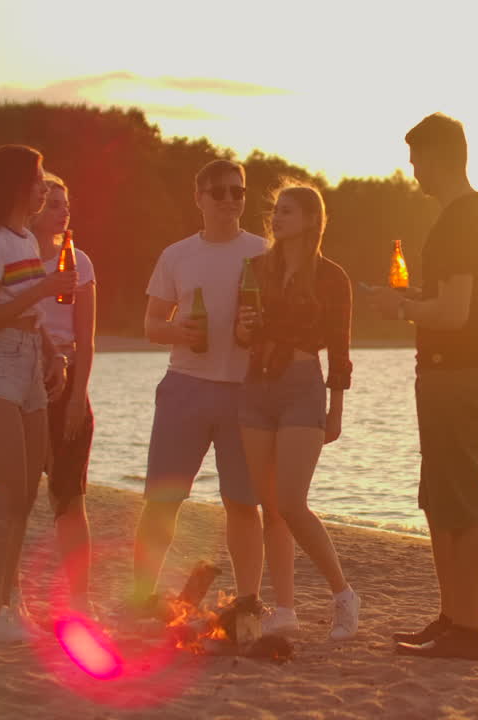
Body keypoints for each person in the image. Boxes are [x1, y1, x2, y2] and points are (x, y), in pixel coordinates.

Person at [369, 113, 478, 660]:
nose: (413, 173)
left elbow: (454, 314)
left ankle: (466, 631)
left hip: (455, 375)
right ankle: (452, 616)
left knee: (459, 502)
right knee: (439, 498)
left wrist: (400, 308)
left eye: (416, 161)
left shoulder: (460, 223)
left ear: (437, 157)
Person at [124, 159, 267, 620]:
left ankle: (248, 600)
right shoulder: (177, 255)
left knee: (243, 503)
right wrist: (177, 329)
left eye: (238, 192)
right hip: (185, 387)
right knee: (163, 499)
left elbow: (281, 328)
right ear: (199, 199)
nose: (230, 200)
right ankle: (142, 593)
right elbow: (150, 326)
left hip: (245, 392)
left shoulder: (264, 253)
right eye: (220, 192)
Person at [0, 171, 98, 619]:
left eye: (66, 203)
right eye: (53, 202)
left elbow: (86, 338)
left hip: (61, 382)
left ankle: (78, 602)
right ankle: (10, 596)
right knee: (13, 496)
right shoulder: (12, 250)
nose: (62, 210)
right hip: (14, 377)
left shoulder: (77, 261)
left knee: (66, 496)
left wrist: (78, 395)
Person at [235, 183, 359, 640]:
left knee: (291, 501)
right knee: (270, 505)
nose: (277, 218)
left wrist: (338, 407)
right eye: (276, 212)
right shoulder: (256, 268)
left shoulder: (331, 277)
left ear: (311, 219)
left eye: (287, 211)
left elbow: (342, 350)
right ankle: (284, 609)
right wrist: (244, 329)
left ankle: (343, 595)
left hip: (302, 389)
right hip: (256, 389)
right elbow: (241, 332)